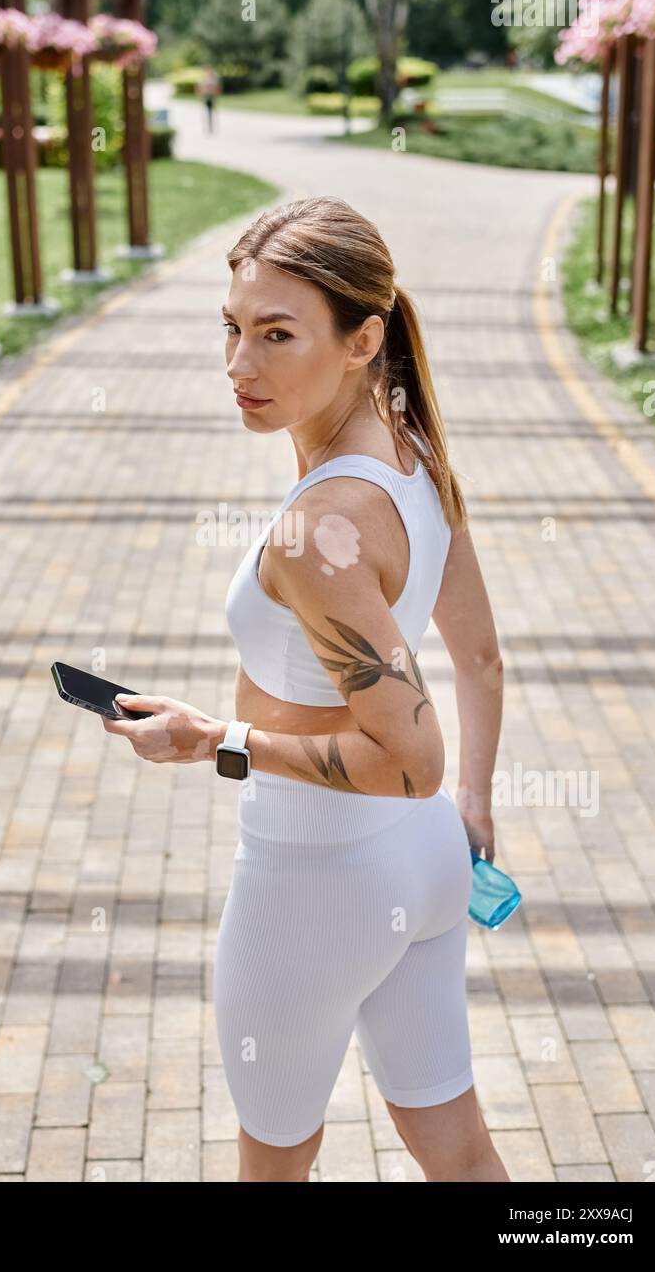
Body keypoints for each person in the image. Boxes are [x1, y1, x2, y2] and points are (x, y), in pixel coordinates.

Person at [101, 195, 508, 1185]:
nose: (239, 366)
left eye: (277, 335)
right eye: (232, 329)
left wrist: (215, 741)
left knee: (273, 1167)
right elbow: (479, 658)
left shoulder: (318, 527)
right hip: (421, 871)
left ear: (362, 338)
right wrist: (475, 806)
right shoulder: (413, 455)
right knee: (456, 1151)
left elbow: (410, 761)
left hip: (313, 885)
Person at [197, 65, 221, 132]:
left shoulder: (214, 79)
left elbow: (218, 88)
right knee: (206, 112)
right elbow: (200, 87)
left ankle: (212, 126)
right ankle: (207, 126)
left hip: (212, 97)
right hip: (206, 97)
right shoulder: (203, 79)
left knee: (213, 112)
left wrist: (216, 93)